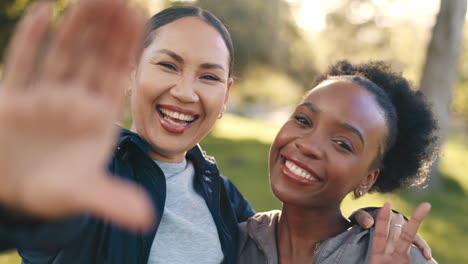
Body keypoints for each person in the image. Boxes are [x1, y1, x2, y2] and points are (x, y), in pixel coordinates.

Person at [0, 0, 432, 263]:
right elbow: (40, 228)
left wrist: (374, 220)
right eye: (168, 64)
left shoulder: (227, 205)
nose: (185, 91)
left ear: (225, 96)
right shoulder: (90, 167)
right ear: (130, 72)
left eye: (208, 77)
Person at [237, 60, 439, 264]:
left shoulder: (396, 258)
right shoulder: (231, 241)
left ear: (367, 179)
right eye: (303, 120)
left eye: (342, 143)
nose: (308, 145)